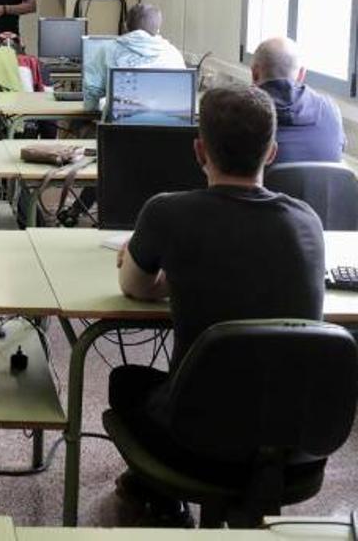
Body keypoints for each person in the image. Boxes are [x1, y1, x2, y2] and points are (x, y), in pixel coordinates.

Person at [111, 84, 325, 522]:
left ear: (198, 150)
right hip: (297, 447)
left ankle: (162, 498)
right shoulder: (308, 220)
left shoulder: (167, 212)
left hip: (198, 441)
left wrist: (175, 277)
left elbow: (134, 286)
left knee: (126, 383)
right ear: (271, 153)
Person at [252, 36, 345, 164]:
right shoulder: (330, 110)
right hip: (320, 184)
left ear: (255, 74)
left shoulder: (238, 115)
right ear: (301, 74)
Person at [83, 3, 186, 111]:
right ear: (158, 29)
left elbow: (92, 90)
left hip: (120, 125)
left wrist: (90, 112)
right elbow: (182, 96)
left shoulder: (107, 50)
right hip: (168, 124)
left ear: (125, 26)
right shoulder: (173, 53)